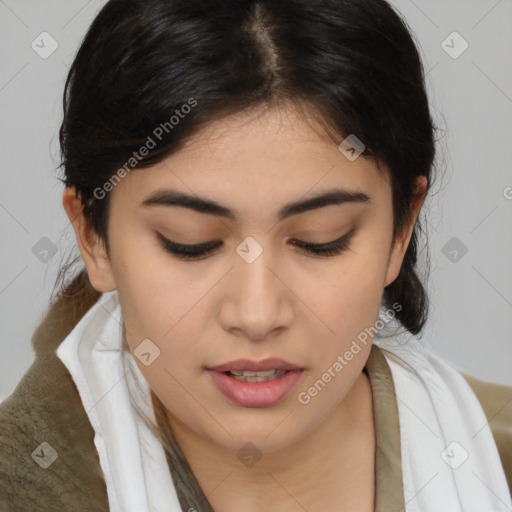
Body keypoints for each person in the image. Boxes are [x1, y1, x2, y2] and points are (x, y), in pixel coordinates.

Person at [1, 0, 511, 511]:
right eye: (190, 242)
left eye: (321, 238)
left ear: (401, 229)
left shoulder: (497, 459)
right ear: (93, 236)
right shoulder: (22, 482)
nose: (257, 315)